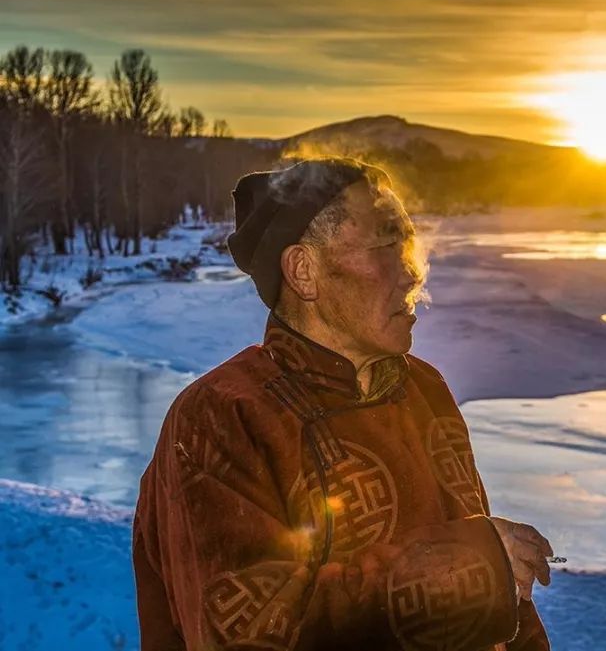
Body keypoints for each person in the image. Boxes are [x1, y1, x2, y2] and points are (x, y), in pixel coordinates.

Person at [132, 158, 552, 651]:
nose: (412, 274)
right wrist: (467, 567)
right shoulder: (221, 416)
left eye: (409, 243)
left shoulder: (423, 389)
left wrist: (498, 583)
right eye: (385, 245)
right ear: (304, 271)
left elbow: (506, 606)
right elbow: (246, 630)